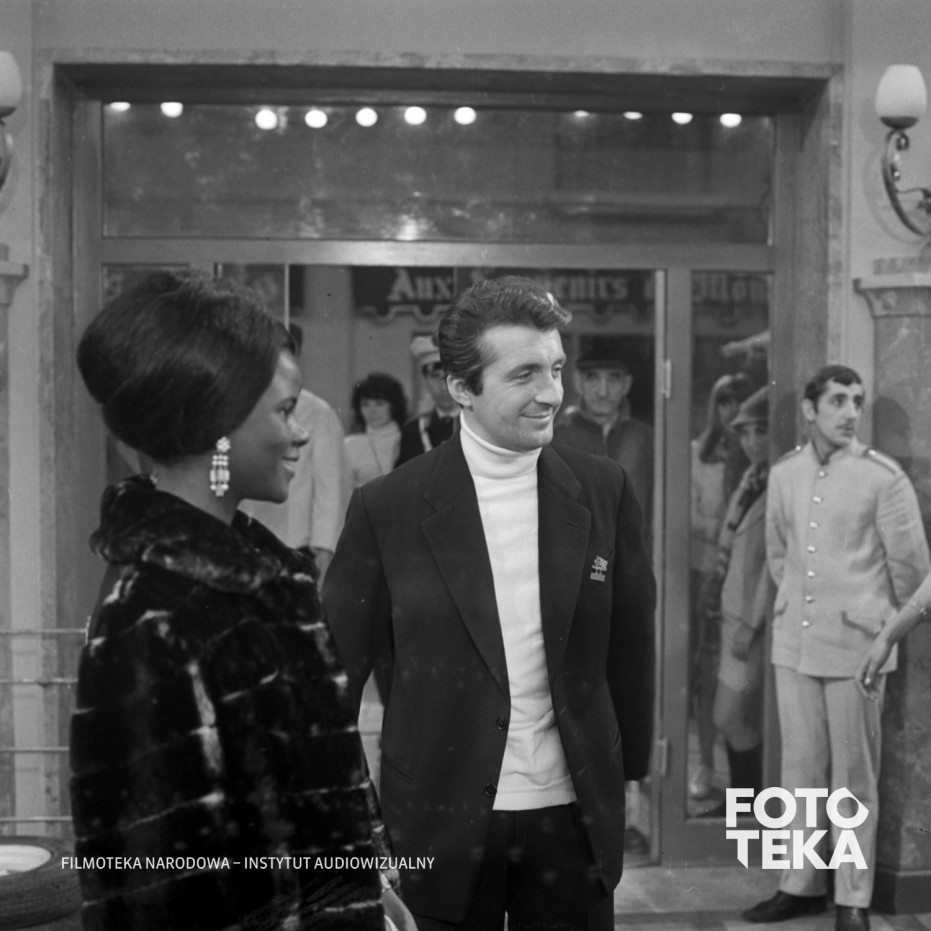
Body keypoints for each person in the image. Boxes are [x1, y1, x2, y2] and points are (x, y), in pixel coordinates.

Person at [70, 270, 414, 931]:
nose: (301, 433)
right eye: (284, 411)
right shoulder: (153, 611)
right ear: (219, 425)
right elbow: (151, 888)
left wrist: (365, 885)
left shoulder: (268, 581)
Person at [323, 275, 656, 931]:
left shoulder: (603, 489)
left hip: (572, 819)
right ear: (460, 388)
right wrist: (350, 824)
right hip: (437, 821)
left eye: (555, 369)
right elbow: (331, 682)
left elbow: (630, 641)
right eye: (524, 374)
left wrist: (632, 773)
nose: (552, 393)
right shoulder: (387, 508)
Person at [744, 365, 930, 931]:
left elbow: (914, 575)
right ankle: (799, 886)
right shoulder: (785, 473)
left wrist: (883, 634)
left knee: (853, 778)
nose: (851, 412)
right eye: (838, 400)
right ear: (809, 409)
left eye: (857, 401)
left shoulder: (883, 478)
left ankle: (853, 898)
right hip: (795, 644)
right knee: (799, 773)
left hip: (858, 649)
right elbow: (780, 555)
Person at [688, 372, 753, 801]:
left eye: (738, 401)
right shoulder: (699, 452)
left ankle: (742, 777)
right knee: (705, 670)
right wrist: (724, 527)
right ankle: (707, 763)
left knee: (738, 675)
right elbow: (686, 511)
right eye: (724, 401)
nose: (731, 411)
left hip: (744, 577)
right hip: (705, 572)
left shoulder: (755, 452)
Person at [242, 322, 347, 582]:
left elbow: (330, 485)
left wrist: (325, 546)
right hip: (244, 536)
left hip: (294, 540)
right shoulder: (239, 404)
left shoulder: (317, 411)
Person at [708, 387, 769, 796]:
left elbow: (772, 565)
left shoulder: (776, 484)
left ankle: (751, 812)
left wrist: (751, 622)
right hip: (731, 612)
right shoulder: (751, 478)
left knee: (730, 717)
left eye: (759, 432)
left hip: (751, 620)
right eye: (744, 433)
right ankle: (743, 810)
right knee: (733, 719)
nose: (751, 442)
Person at [553, 335, 653, 532]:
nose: (602, 391)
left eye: (613, 379)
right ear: (578, 382)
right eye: (593, 378)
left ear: (627, 384)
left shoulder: (645, 439)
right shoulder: (558, 438)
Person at [396, 334, 459, 465]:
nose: (443, 386)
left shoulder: (477, 425)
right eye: (435, 376)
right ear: (425, 380)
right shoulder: (413, 431)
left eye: (449, 376)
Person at [344, 372, 408, 488]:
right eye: (366, 404)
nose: (372, 410)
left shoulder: (409, 439)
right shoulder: (350, 445)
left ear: (393, 406)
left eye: (379, 404)